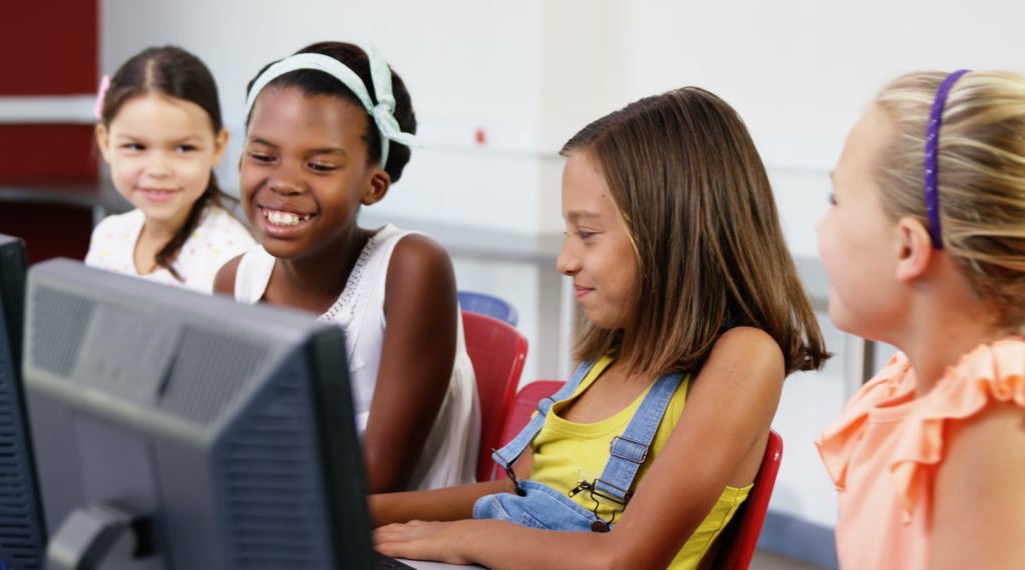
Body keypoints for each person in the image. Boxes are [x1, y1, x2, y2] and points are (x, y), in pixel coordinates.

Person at [371, 87, 828, 569]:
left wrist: (460, 539)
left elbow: (623, 560)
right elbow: (517, 492)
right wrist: (363, 511)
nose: (565, 260)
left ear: (672, 232)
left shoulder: (744, 359)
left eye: (587, 234)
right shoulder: (612, 354)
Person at [213, 41, 479, 493]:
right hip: (273, 525)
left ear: (374, 185)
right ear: (240, 161)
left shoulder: (411, 269)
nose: (283, 182)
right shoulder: (235, 280)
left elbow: (373, 479)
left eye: (319, 165)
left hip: (394, 552)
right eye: (262, 156)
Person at [815, 70, 1025, 569]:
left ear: (907, 246)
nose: (821, 223)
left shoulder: (992, 411)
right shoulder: (908, 388)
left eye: (836, 200)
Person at [86, 46, 254, 294]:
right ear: (106, 142)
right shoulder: (109, 237)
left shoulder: (231, 259)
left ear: (218, 146)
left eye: (183, 148)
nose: (158, 170)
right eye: (136, 146)